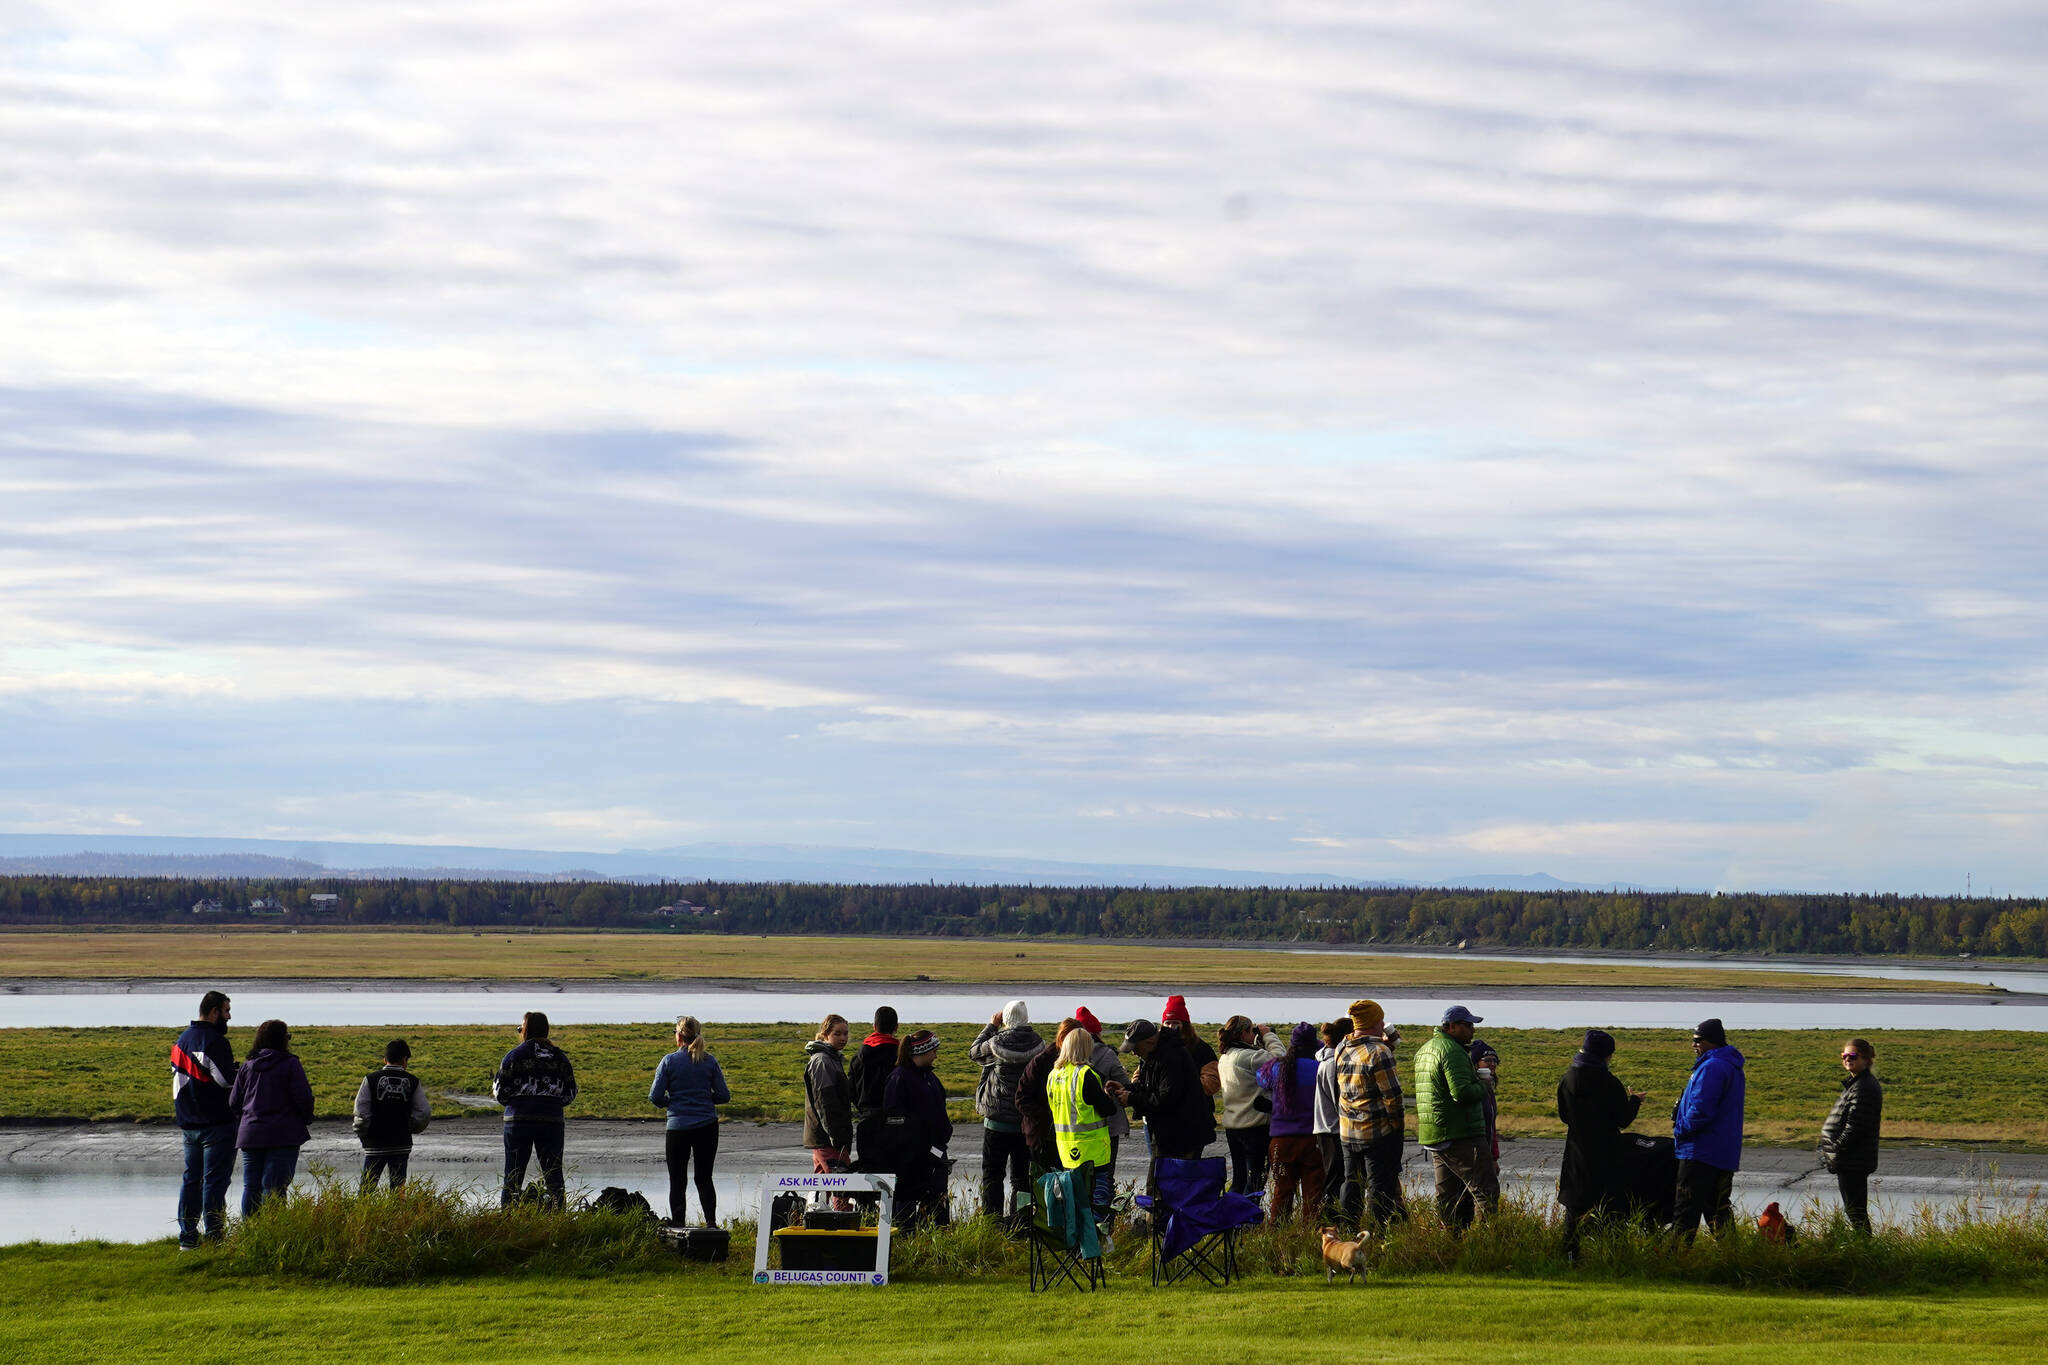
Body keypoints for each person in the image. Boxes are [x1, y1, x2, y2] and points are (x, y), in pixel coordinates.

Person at [1554, 1028, 1643, 1262]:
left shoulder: (1568, 1078)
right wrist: (1634, 1101)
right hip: (1606, 1151)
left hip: (1576, 1151)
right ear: (1605, 1056)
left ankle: (1570, 1256)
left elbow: (1564, 1116)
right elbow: (1623, 1120)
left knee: (1574, 1207)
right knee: (1610, 1206)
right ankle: (1610, 1256)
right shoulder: (1610, 1082)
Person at [1415, 1005, 1497, 1230]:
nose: (1472, 1030)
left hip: (1435, 1134)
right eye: (1467, 1025)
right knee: (1485, 1189)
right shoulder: (1453, 1051)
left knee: (1448, 1194)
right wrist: (1484, 1086)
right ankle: (1486, 1244)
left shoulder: (1425, 1049)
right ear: (1451, 1026)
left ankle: (1450, 1242)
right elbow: (1461, 1093)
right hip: (1461, 1132)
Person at [1111, 1018, 1214, 1195]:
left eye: (1135, 1048)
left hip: (1183, 1135)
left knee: (1168, 1189)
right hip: (1171, 1134)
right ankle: (1161, 1219)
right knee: (1161, 1187)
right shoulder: (1155, 1054)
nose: (1134, 1053)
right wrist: (1125, 1089)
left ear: (1150, 1041)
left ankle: (1165, 1221)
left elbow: (1166, 1099)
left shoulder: (1170, 1057)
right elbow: (1149, 1087)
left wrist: (1132, 1099)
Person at [227, 1018, 314, 1218]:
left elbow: (233, 1102)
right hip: (283, 1135)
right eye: (287, 1037)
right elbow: (304, 1098)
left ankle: (250, 1234)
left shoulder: (248, 1066)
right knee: (275, 1188)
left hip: (250, 1134)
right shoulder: (290, 1064)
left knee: (251, 1187)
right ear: (282, 1040)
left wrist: (246, 1118)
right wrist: (305, 1118)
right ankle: (273, 1233)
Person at [171, 990, 237, 1248]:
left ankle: (187, 1237)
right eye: (226, 1011)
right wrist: (239, 1072)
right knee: (214, 1181)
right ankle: (215, 1236)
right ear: (214, 1012)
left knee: (191, 1179)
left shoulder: (182, 1039)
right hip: (216, 1121)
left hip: (188, 1121)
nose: (229, 1017)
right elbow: (226, 1080)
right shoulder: (215, 1040)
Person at [649, 1015, 730, 1225]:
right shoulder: (709, 1060)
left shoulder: (669, 1061)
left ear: (679, 1037)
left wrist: (673, 1102)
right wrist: (704, 1099)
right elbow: (724, 1095)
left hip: (678, 1127)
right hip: (707, 1126)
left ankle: (678, 1225)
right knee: (704, 1178)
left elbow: (655, 1096)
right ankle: (711, 1224)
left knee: (677, 1181)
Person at [969, 1000, 1046, 1217]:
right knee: (1022, 1178)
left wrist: (991, 1026)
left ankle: (992, 1222)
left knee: (992, 1175)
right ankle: (1020, 1223)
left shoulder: (995, 1043)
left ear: (1005, 1019)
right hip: (1025, 1122)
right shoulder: (1038, 1044)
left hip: (997, 1120)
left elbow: (974, 1052)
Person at [1672, 1017, 1746, 1241]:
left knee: (1686, 1208)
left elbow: (1702, 1109)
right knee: (1718, 1209)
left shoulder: (1712, 1067)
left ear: (1711, 1041)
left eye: (1697, 1040)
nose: (1693, 1045)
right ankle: (1732, 1258)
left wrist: (1680, 1129)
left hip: (1701, 1149)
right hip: (1722, 1151)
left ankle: (1677, 1260)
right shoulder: (1729, 1065)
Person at [1334, 999, 1406, 1226]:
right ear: (1376, 1022)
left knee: (1351, 1182)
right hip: (1375, 1133)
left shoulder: (1341, 1047)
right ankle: (1378, 1231)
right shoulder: (1379, 1053)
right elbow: (1393, 1098)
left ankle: (1347, 1228)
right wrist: (1396, 1127)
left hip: (1347, 1131)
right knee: (1378, 1186)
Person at [494, 1011, 577, 1208]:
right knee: (554, 1175)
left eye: (521, 1028)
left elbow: (500, 1092)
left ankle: (507, 1218)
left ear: (526, 1031)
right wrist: (552, 1103)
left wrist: (516, 1102)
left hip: (518, 1119)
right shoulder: (559, 1058)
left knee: (512, 1176)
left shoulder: (513, 1056)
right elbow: (570, 1092)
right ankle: (558, 1218)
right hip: (551, 1121)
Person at [883, 1029, 952, 1227]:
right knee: (906, 1200)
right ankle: (904, 1238)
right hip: (911, 1155)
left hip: (936, 1150)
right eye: (934, 1051)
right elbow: (893, 1120)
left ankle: (937, 1237)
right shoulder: (899, 1079)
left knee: (938, 1198)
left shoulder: (930, 1078)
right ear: (922, 1051)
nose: (936, 1055)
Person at [1046, 1025, 1117, 1214]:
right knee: (1097, 1202)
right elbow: (1107, 1109)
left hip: (1065, 1148)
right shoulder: (1086, 1074)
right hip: (1093, 1151)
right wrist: (1107, 1095)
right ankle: (1095, 1237)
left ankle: (1075, 1238)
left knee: (1074, 1201)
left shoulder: (1053, 1075)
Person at [1258, 1022, 1325, 1221]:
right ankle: (1311, 1237)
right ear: (1314, 1046)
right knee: (1313, 1196)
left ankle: (1277, 1236)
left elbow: (1260, 1078)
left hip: (1280, 1141)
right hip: (1312, 1140)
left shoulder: (1278, 1068)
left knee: (1281, 1193)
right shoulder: (1319, 1069)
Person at [1819, 1036, 1882, 1234]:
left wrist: (1836, 1147)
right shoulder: (1855, 1084)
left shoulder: (1864, 1087)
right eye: (1844, 1055)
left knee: (1855, 1211)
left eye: (1852, 1055)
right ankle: (1863, 1247)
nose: (1847, 1059)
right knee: (1853, 1209)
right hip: (1850, 1159)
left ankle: (1865, 1250)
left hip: (1853, 1159)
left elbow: (1855, 1126)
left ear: (1866, 1059)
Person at [1217, 1015, 1285, 1195]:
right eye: (1251, 1030)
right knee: (1255, 1180)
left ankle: (1230, 1216)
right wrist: (1268, 1035)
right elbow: (1281, 1061)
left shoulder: (1227, 1056)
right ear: (1244, 1033)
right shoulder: (1248, 1057)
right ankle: (1248, 1219)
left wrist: (1258, 1041)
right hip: (1254, 1126)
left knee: (1239, 1180)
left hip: (1234, 1126)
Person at [354, 1038, 431, 1191]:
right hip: (401, 1143)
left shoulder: (370, 1079)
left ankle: (362, 1213)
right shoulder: (412, 1081)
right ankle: (399, 1214)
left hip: (375, 1143)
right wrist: (410, 1127)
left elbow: (361, 1111)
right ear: (405, 1060)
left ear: (385, 1059)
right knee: (398, 1189)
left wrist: (364, 1132)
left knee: (367, 1188)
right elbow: (424, 1112)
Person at [1073, 1007, 1131, 1196]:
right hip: (1108, 1125)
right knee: (1105, 1175)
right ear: (1097, 1033)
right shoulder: (1108, 1055)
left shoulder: (1066, 1057)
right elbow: (1125, 1084)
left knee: (1078, 1175)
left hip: (1076, 1125)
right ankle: (1104, 1219)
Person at [803, 1013, 855, 1177]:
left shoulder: (831, 1058)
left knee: (821, 1184)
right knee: (841, 1187)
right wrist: (836, 1137)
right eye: (837, 1034)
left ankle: (816, 1204)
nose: (843, 1038)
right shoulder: (822, 1061)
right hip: (827, 1139)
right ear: (826, 1035)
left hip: (825, 1137)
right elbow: (825, 1103)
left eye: (845, 1033)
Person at [849, 1005, 900, 1168]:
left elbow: (851, 1089)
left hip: (867, 1117)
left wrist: (861, 1107)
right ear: (896, 1027)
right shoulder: (900, 1055)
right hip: (896, 1120)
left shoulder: (858, 1057)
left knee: (868, 1169)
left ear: (874, 1026)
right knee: (894, 1169)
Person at [1312, 1019, 1349, 1220]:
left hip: (1324, 1127)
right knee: (1335, 1181)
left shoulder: (1324, 1060)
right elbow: (1340, 1102)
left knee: (1331, 1178)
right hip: (1334, 1129)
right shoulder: (1335, 1064)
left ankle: (1327, 1221)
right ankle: (1330, 1222)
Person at [1162, 995, 1221, 1096]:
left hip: (1196, 1109)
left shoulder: (1202, 1049)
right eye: (1167, 1023)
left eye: (1176, 1023)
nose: (1171, 1027)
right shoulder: (1156, 1047)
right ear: (1162, 1025)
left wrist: (1177, 1088)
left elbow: (1211, 1083)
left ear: (1185, 1025)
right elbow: (1141, 1073)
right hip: (1163, 1108)